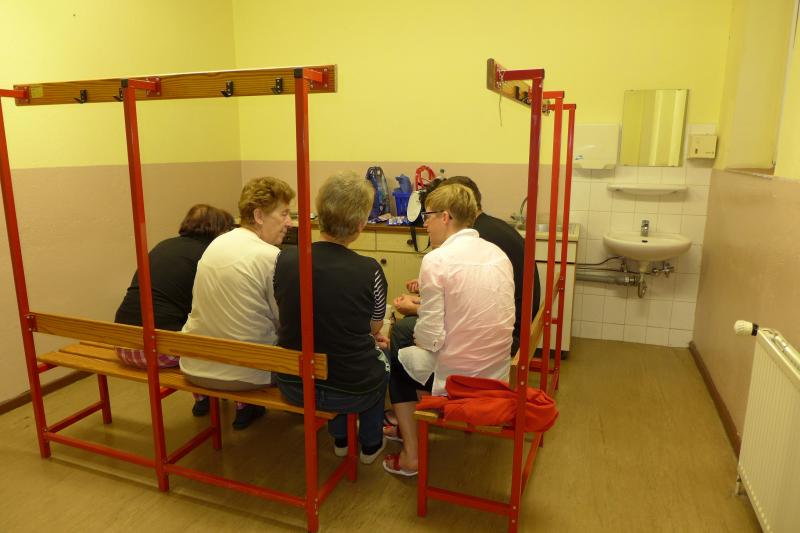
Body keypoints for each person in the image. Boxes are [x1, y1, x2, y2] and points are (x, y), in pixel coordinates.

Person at [383, 184, 515, 477]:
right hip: (497, 371)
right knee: (409, 341)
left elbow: (429, 340)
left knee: (398, 357)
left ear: (445, 217)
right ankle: (413, 425)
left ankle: (411, 455)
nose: (425, 225)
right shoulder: (497, 254)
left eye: (427, 217)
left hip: (461, 379)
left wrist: (416, 321)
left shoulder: (437, 259)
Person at [274, 172, 390, 464]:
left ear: (320, 215)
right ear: (361, 225)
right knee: (383, 359)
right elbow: (375, 326)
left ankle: (340, 438)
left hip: (293, 383)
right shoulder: (370, 270)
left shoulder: (285, 259)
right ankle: (371, 443)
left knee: (328, 352)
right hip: (351, 389)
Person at [179, 177, 295, 430]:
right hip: (246, 374)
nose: (290, 223)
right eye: (284, 214)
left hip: (195, 365)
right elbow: (286, 322)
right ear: (259, 216)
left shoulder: (216, 244)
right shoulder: (271, 257)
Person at [390, 176, 540, 358]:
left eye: (428, 216)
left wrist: (417, 307)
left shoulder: (477, 239)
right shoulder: (491, 232)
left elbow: (462, 312)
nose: (425, 223)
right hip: (513, 326)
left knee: (403, 330)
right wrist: (426, 292)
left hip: (504, 336)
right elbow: (472, 295)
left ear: (448, 213)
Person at [114, 204, 235, 368]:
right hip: (155, 350)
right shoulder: (208, 255)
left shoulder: (164, 245)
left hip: (121, 343)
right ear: (220, 231)